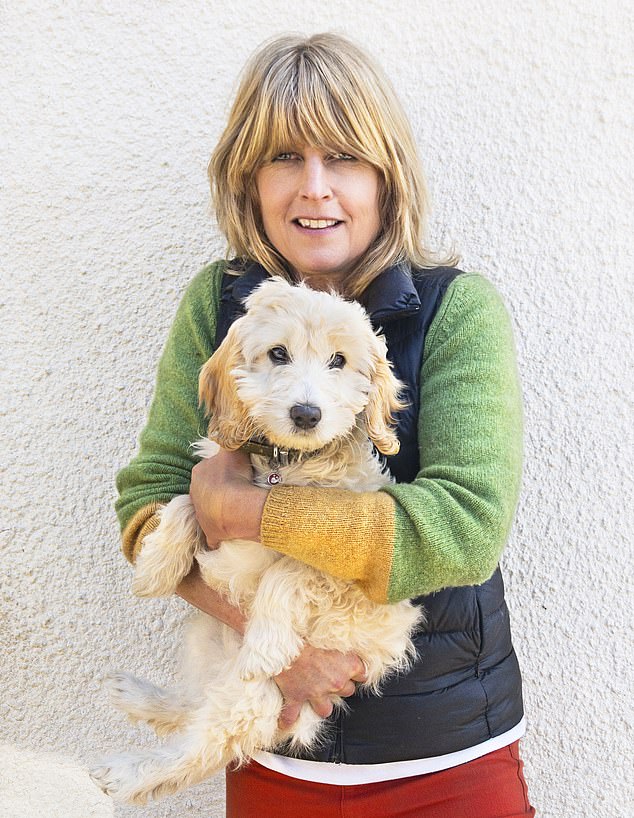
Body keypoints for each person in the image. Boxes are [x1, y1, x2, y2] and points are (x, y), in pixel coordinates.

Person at [115, 33, 535, 817]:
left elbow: (464, 526)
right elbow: (148, 503)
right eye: (283, 158)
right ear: (248, 178)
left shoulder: (455, 311)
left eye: (342, 157)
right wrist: (281, 644)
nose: (314, 190)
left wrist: (250, 511)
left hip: (447, 763)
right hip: (276, 762)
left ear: (386, 175)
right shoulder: (219, 308)